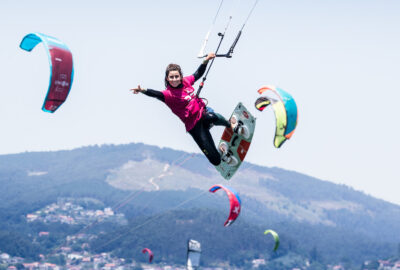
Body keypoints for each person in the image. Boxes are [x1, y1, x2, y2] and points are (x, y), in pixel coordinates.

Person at [130, 53, 248, 166]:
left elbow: (198, 73)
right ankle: (222, 151)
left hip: (203, 114)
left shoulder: (186, 81)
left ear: (181, 77)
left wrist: (206, 60)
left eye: (177, 76)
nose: (175, 79)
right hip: (194, 127)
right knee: (216, 161)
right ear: (167, 79)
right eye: (171, 77)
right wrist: (143, 90)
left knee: (210, 116)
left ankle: (231, 124)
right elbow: (155, 93)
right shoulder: (168, 95)